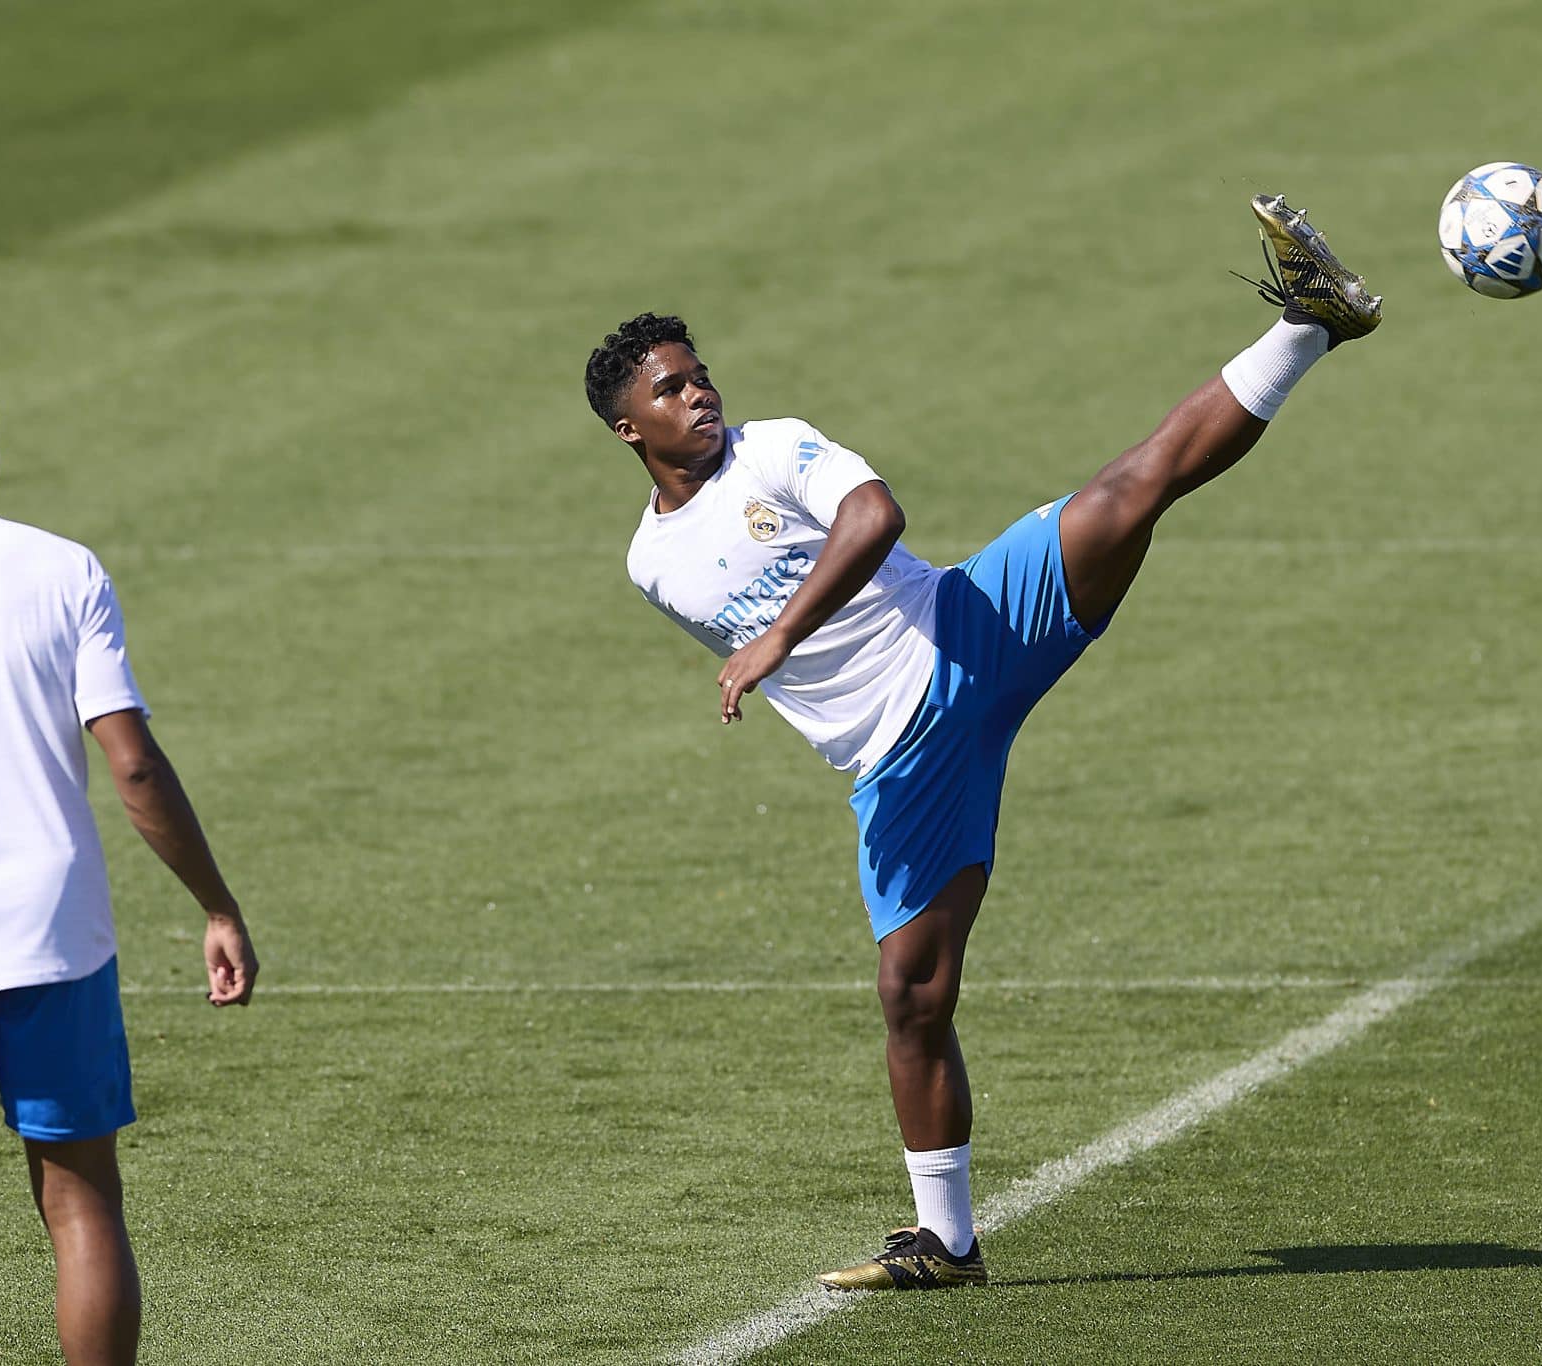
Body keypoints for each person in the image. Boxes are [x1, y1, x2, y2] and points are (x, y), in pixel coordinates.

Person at [588, 194, 1379, 1290]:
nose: (699, 393)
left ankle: (1308, 325)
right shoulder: (648, 566)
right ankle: (944, 1240)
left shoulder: (772, 450)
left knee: (1128, 487)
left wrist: (775, 633)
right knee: (911, 999)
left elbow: (876, 519)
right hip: (899, 762)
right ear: (631, 429)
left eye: (698, 371)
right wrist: (791, 664)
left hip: (963, 629)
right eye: (669, 389)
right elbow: (804, 674)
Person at [0, 359, 258, 1365]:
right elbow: (134, 763)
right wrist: (215, 903)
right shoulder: (61, 568)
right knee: (81, 1204)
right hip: (49, 930)